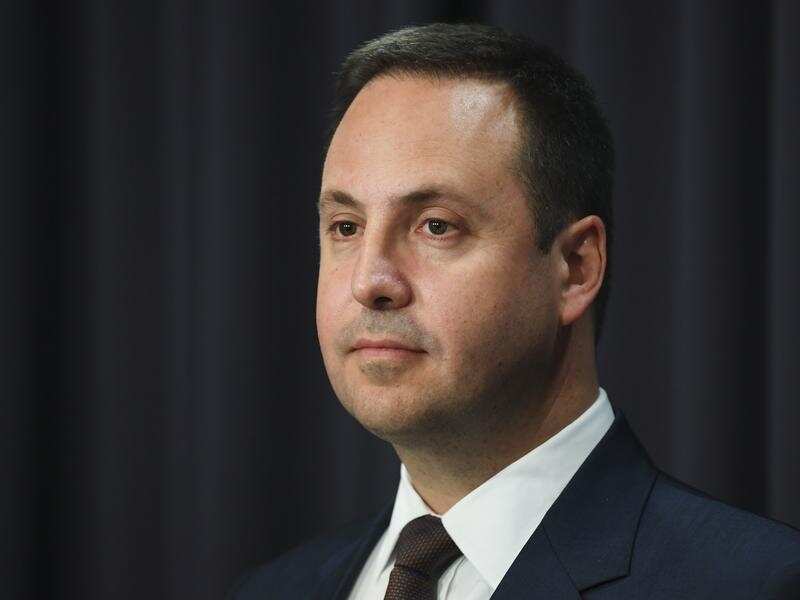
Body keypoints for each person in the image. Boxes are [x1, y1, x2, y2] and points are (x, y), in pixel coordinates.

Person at [229, 22, 800, 599]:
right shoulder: (269, 592)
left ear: (575, 267)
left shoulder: (756, 583)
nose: (370, 281)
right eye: (346, 227)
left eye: (436, 226)